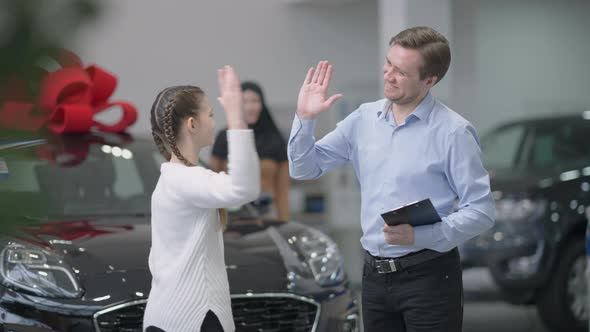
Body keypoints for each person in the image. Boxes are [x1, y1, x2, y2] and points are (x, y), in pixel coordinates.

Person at [288, 26, 495, 332]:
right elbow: (303, 168)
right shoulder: (363, 119)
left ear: (429, 80)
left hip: (431, 277)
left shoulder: (454, 132)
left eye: (401, 71)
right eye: (388, 64)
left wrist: (421, 237)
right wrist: (305, 120)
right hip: (374, 277)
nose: (388, 75)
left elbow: (481, 212)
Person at [143, 66, 260, 332]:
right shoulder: (184, 181)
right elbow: (244, 189)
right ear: (192, 124)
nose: (215, 122)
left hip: (171, 317)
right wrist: (236, 117)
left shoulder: (176, 178)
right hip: (193, 320)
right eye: (211, 114)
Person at [210, 81, 289, 220]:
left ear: (262, 104)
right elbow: (212, 180)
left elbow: (282, 191)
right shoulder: (225, 136)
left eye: (255, 101)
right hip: (230, 214)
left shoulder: (275, 139)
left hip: (264, 213)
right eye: (245, 101)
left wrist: (284, 221)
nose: (251, 106)